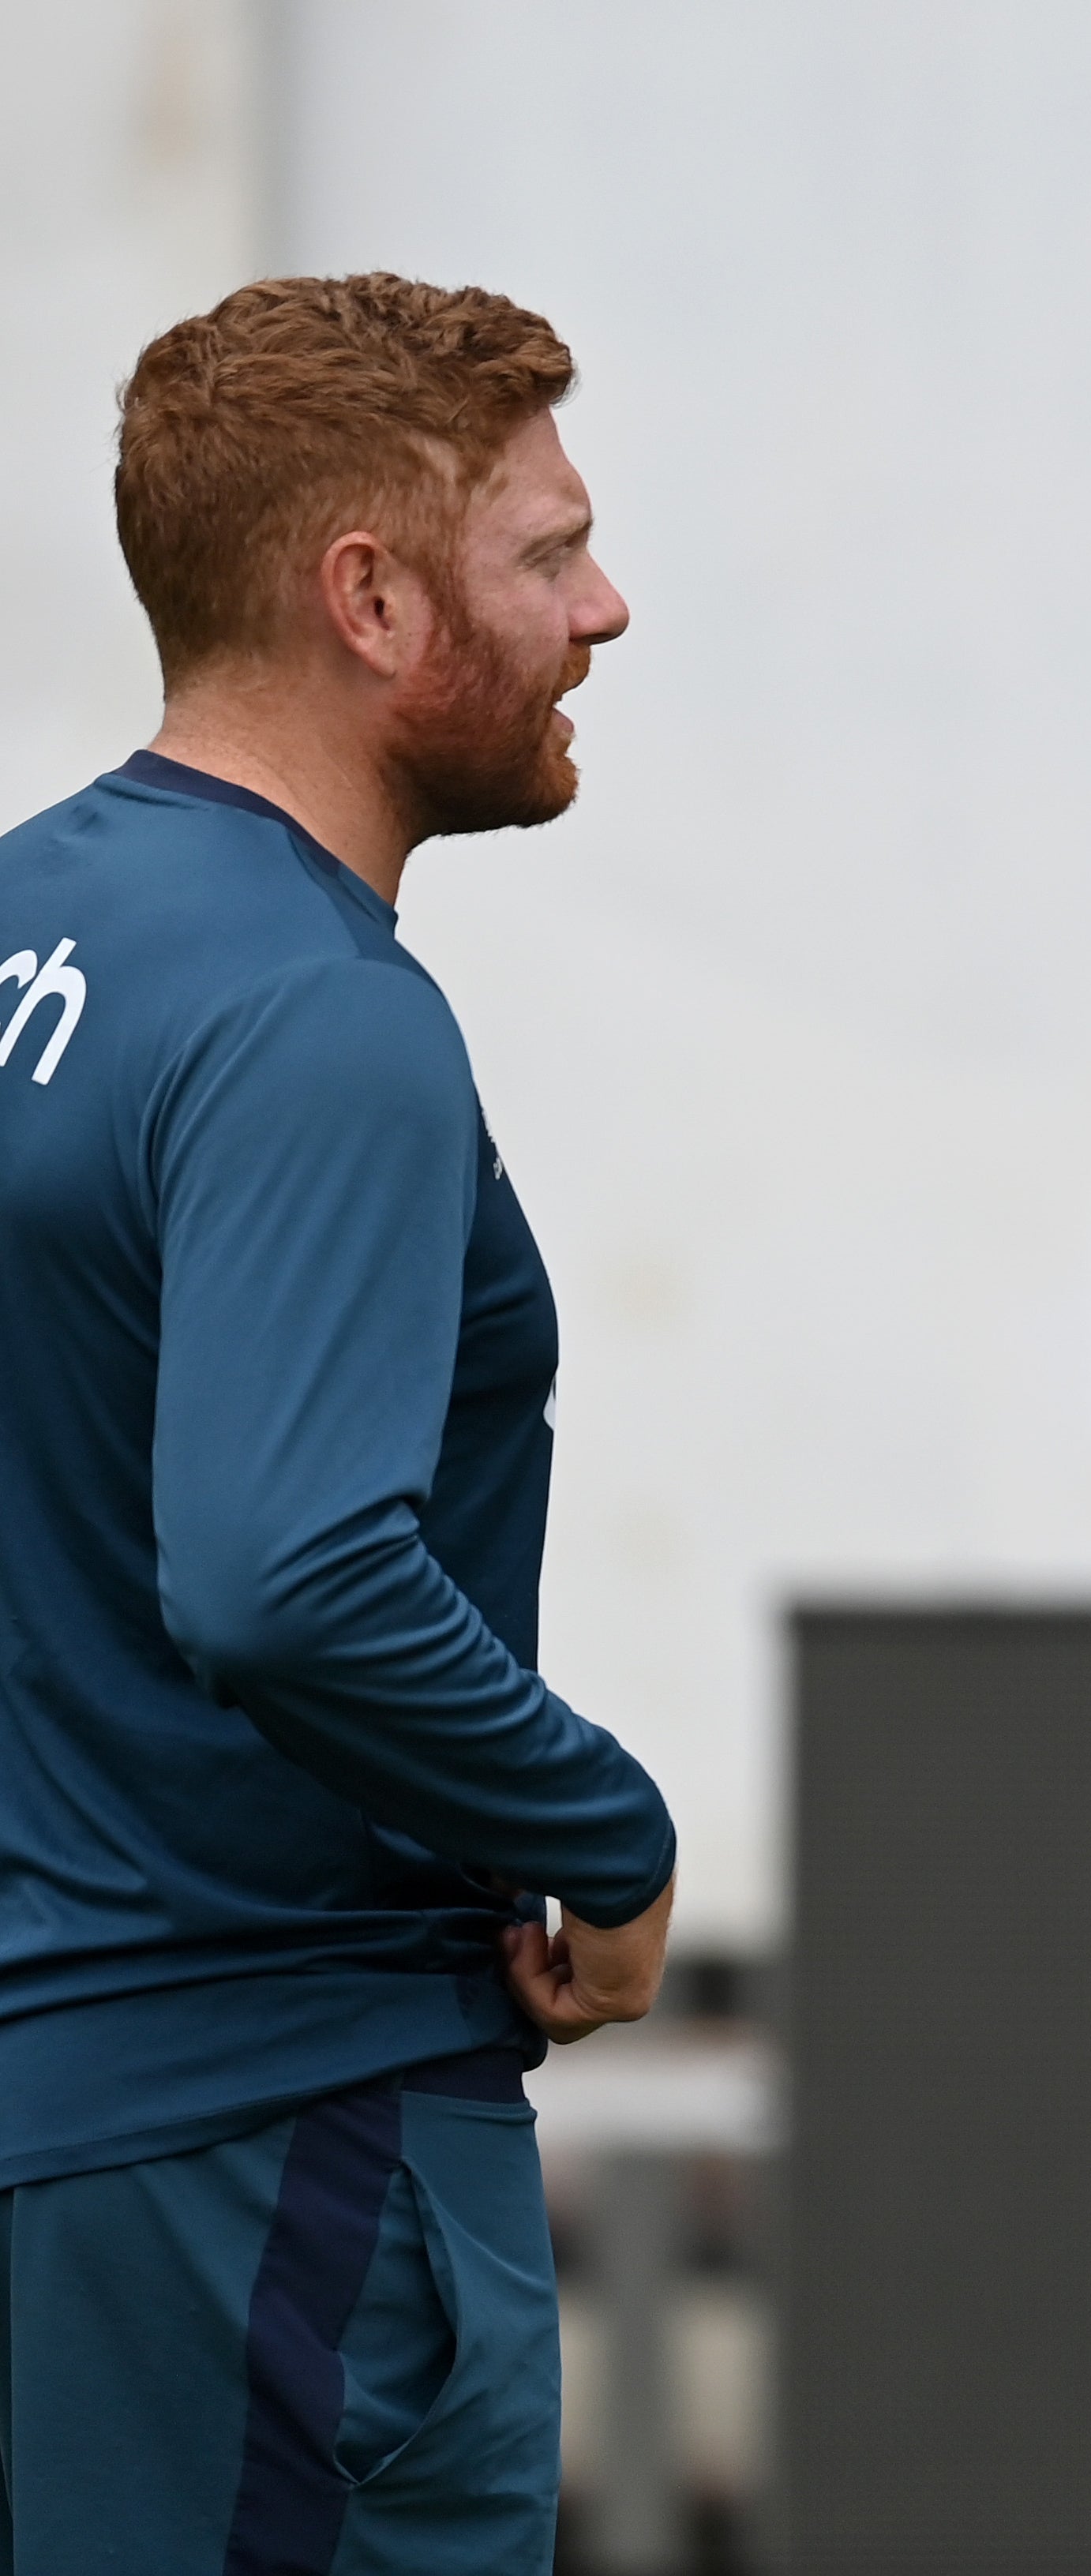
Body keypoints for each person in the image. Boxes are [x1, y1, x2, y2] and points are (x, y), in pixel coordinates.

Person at [0, 276, 677, 2569]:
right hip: (266, 2137)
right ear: (369, 598)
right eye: (545, 553)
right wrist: (605, 1824)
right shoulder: (317, 1013)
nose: (604, 608)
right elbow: (285, 1576)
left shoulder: (24, 942)